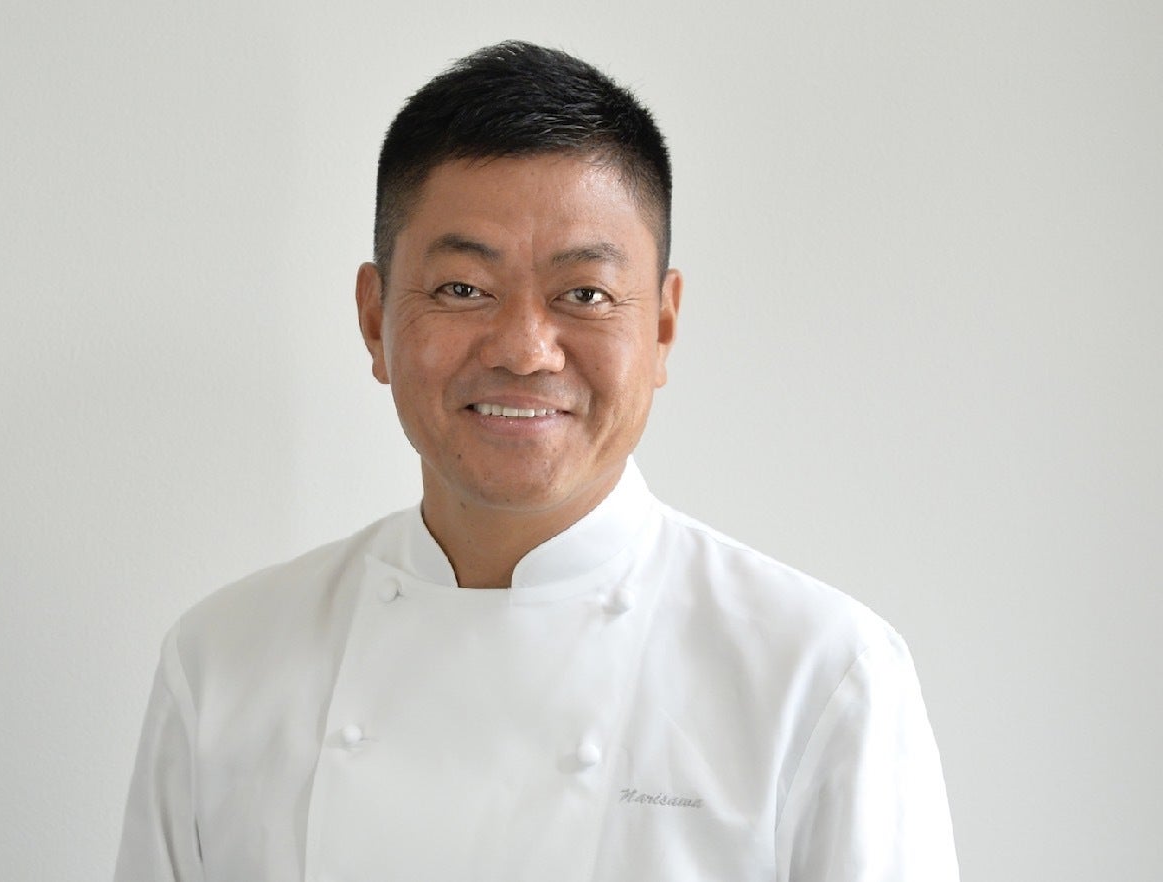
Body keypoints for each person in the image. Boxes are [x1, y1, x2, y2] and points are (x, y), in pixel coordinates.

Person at [114, 41, 959, 881]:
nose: (524, 350)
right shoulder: (224, 666)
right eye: (462, 289)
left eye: (584, 294)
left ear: (662, 327)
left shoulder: (820, 679)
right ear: (375, 320)